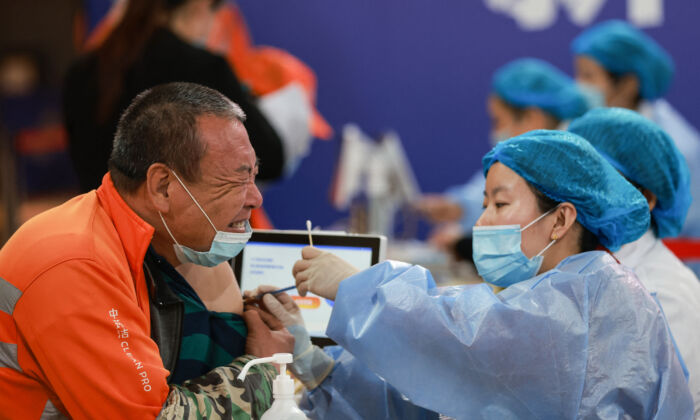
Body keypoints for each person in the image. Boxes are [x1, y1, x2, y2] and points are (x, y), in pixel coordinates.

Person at [263, 130, 693, 418]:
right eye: (484, 204)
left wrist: (354, 286)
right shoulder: (549, 293)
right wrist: (315, 365)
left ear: (561, 220)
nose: (482, 222)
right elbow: (445, 391)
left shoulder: (590, 301)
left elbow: (455, 332)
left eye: (500, 205)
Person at [0, 82, 294, 419]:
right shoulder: (76, 264)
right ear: (163, 187)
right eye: (236, 181)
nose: (255, 198)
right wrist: (264, 371)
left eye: (254, 176)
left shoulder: (155, 247)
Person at [63, 0, 285, 193]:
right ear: (201, 4)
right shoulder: (204, 69)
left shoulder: (82, 72)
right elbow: (270, 157)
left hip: (101, 231)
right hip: (170, 238)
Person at [569, 107, 700, 416]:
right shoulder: (590, 267)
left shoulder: (665, 296)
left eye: (599, 182)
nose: (578, 195)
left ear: (647, 198)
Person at [416, 58, 588, 256]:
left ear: (533, 117)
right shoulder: (537, 159)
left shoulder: (564, 164)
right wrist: (458, 208)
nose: (495, 131)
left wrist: (462, 242)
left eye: (498, 120)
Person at [572, 19, 700, 236]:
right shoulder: (587, 128)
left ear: (629, 83)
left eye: (589, 76)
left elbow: (682, 239)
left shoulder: (677, 149)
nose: (579, 85)